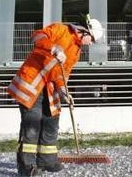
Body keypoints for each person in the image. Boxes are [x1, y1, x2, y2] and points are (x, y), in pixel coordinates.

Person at [7, 14, 104, 176]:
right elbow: (38, 36)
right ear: (85, 32)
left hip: (50, 90)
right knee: (32, 125)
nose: (91, 44)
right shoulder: (60, 29)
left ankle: (47, 160)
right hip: (32, 84)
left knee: (51, 121)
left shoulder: (76, 52)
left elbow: (63, 74)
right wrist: (54, 48)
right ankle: (26, 167)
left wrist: (64, 92)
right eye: (92, 40)